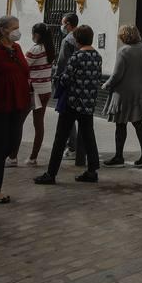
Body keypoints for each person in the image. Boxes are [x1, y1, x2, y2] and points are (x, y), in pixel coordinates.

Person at [34, 26, 102, 185]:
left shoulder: (77, 56)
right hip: (89, 102)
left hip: (72, 102)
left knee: (60, 138)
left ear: (77, 40)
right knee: (88, 136)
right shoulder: (97, 56)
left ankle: (51, 173)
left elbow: (66, 78)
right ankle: (92, 171)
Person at [0, 15, 30, 203]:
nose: (17, 31)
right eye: (14, 28)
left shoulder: (17, 48)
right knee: (0, 145)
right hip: (0, 104)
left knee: (12, 144)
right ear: (3, 30)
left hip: (18, 102)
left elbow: (25, 69)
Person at [102, 24, 142, 167]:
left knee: (120, 124)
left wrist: (107, 84)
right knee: (139, 123)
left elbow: (117, 74)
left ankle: (119, 157)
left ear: (123, 36)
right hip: (140, 90)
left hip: (124, 93)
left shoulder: (123, 51)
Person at [23, 22, 56, 166]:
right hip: (46, 89)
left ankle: (12, 156)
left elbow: (23, 66)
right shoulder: (50, 48)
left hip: (33, 90)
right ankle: (33, 157)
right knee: (39, 124)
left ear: (36, 35)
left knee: (18, 122)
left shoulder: (35, 49)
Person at [51, 13, 79, 157]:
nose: (62, 26)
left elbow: (63, 62)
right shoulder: (81, 36)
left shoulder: (67, 40)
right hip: (80, 83)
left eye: (63, 23)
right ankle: (76, 147)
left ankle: (72, 146)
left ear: (68, 24)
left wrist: (58, 79)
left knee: (66, 115)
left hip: (68, 82)